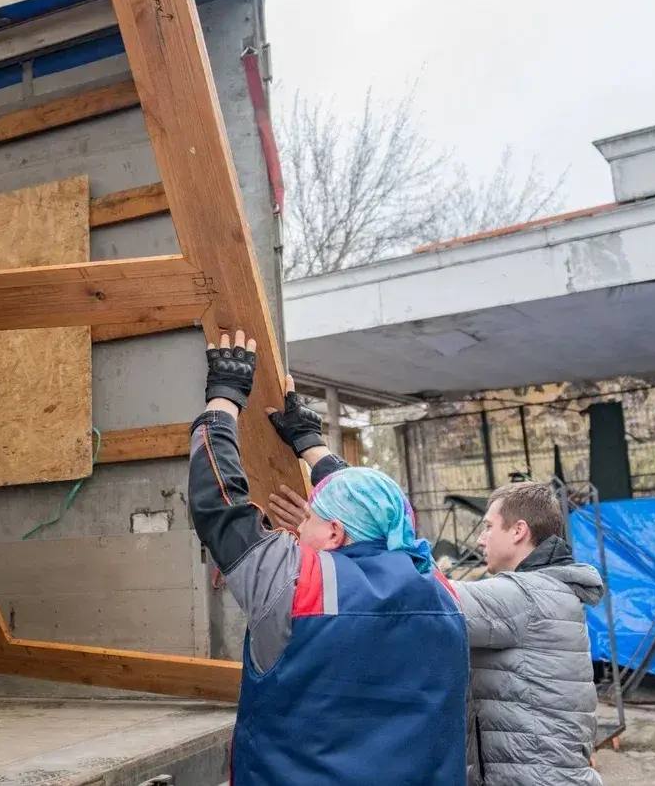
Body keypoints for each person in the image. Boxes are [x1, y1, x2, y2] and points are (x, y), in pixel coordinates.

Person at [189, 330, 468, 784]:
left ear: (336, 532)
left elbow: (217, 502)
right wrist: (309, 441)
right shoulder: (439, 589)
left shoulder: (296, 582)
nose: (299, 526)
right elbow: (389, 515)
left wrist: (223, 398)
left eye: (311, 518)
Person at [452, 481, 605, 786]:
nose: (482, 539)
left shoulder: (525, 594)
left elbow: (432, 603)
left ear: (518, 530)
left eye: (488, 527)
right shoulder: (547, 587)